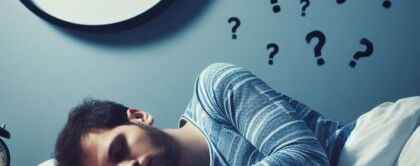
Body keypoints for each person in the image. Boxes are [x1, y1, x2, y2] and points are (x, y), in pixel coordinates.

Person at [54, 62, 415, 166]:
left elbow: (306, 158)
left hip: (367, 150)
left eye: (119, 151)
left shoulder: (214, 89)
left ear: (138, 116)